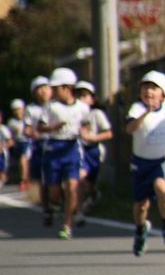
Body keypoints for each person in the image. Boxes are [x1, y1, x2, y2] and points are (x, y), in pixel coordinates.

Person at [125, 70, 165, 256]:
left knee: (162, 188)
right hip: (140, 162)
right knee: (141, 205)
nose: (149, 92)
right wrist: (146, 113)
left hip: (161, 159)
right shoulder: (136, 109)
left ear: (163, 93)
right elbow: (130, 129)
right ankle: (141, 230)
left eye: (154, 88)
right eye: (145, 87)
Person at [37, 68, 89, 239]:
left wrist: (85, 133)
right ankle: (56, 204)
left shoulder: (82, 107)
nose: (52, 91)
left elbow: (87, 125)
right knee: (54, 192)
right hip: (53, 147)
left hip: (72, 148)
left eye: (56, 88)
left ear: (67, 88)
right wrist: (54, 127)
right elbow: (40, 126)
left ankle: (67, 225)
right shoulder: (51, 107)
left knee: (72, 188)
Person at [75, 80, 113, 222]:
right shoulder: (72, 113)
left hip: (92, 151)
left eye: (85, 96)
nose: (82, 100)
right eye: (79, 96)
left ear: (92, 99)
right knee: (77, 179)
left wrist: (91, 137)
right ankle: (78, 211)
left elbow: (108, 133)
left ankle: (94, 195)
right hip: (77, 150)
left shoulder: (96, 114)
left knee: (88, 183)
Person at [24, 77, 52, 216]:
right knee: (42, 176)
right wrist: (31, 133)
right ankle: (46, 205)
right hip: (40, 144)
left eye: (46, 87)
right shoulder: (31, 109)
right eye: (39, 89)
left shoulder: (57, 105)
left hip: (55, 142)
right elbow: (27, 129)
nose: (43, 91)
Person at [7, 99, 29, 190]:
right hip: (18, 144)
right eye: (15, 110)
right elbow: (10, 137)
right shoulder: (11, 122)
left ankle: (23, 180)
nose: (17, 112)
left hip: (28, 142)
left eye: (19, 109)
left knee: (23, 160)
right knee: (21, 161)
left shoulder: (28, 120)